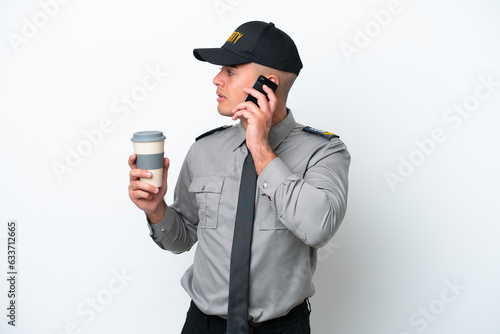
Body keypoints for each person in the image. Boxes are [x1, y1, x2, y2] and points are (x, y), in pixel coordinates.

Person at [128, 21, 350, 334]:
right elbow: (181, 239)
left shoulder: (324, 152)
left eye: (230, 71)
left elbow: (319, 228)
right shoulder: (205, 149)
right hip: (203, 326)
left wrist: (260, 148)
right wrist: (156, 208)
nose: (216, 79)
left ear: (267, 85)